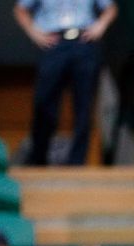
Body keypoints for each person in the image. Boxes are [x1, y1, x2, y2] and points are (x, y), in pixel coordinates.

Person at [14, 0, 116, 166]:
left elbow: (110, 8)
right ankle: (38, 160)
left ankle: (77, 163)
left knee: (84, 105)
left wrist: (100, 25)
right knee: (44, 102)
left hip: (84, 42)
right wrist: (34, 32)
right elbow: (20, 10)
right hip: (54, 43)